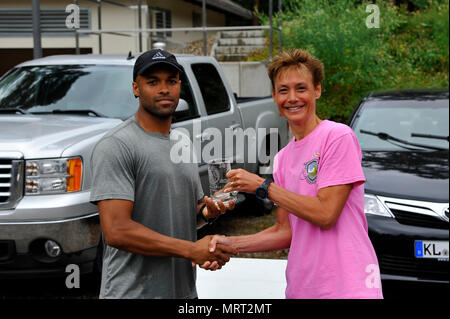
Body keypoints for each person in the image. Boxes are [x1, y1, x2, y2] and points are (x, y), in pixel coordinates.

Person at [209, 49, 383, 299]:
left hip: (349, 287)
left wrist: (262, 186)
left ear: (317, 90)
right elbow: (285, 231)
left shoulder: (337, 137)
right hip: (303, 289)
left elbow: (325, 214)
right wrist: (230, 243)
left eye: (301, 88)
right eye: (283, 90)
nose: (292, 98)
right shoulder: (283, 158)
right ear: (274, 96)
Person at [90, 49, 237, 299]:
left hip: (183, 292)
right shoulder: (117, 145)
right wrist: (192, 250)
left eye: (171, 81)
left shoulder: (182, 141)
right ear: (136, 88)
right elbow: (117, 230)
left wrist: (206, 212)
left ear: (180, 86)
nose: (164, 89)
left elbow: (183, 214)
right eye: (152, 82)